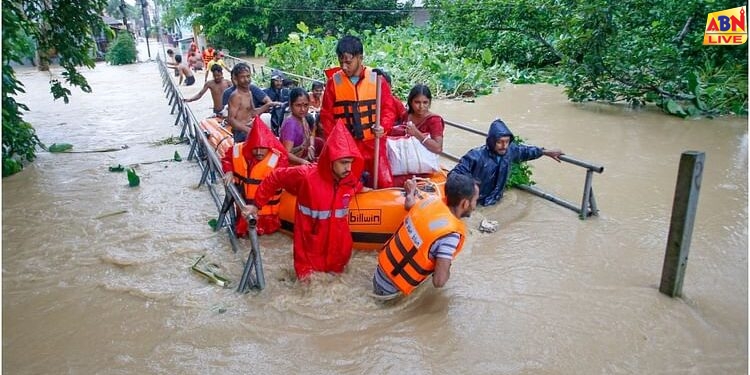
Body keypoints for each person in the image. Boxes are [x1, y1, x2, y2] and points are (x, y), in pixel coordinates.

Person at [244, 122, 365, 280]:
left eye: (350, 162)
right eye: (343, 162)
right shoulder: (306, 176)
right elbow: (275, 177)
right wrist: (256, 205)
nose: (348, 168)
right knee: (308, 292)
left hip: (338, 254)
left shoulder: (349, 180)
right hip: (309, 253)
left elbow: (352, 188)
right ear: (330, 160)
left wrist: (362, 188)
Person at [372, 173, 478, 297]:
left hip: (379, 273)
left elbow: (409, 205)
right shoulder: (451, 236)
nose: (475, 206)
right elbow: (439, 281)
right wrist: (447, 266)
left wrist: (411, 192)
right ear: (465, 204)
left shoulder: (429, 201)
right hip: (391, 291)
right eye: (475, 200)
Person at [320, 35, 398, 189]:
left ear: (360, 58)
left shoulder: (377, 80)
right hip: (348, 146)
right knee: (348, 184)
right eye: (341, 61)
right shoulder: (333, 83)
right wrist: (335, 144)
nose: (344, 66)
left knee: (384, 181)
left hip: (374, 142)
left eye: (348, 62)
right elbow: (327, 117)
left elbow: (388, 109)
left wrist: (383, 127)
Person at [449, 118, 564, 206]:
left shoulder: (510, 151)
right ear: (491, 141)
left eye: (507, 141)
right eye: (500, 142)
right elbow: (454, 175)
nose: (504, 146)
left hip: (495, 199)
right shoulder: (475, 156)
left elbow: (526, 151)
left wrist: (545, 152)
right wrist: (472, 187)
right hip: (476, 202)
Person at [221, 117, 289, 236]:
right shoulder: (237, 150)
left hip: (267, 216)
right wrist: (229, 171)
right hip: (244, 211)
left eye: (262, 148)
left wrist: (257, 205)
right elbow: (226, 159)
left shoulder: (279, 159)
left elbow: (275, 184)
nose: (258, 152)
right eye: (255, 148)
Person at [389, 84, 444, 186]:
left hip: (424, 169)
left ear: (430, 102)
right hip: (403, 165)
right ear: (410, 102)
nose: (421, 107)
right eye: (417, 102)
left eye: (425, 102)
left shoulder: (434, 120)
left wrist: (417, 134)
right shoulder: (406, 115)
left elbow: (438, 148)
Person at [227, 63, 281, 142]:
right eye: (242, 77)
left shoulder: (249, 93)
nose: (246, 80)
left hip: (251, 128)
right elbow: (231, 120)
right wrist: (248, 130)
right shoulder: (236, 96)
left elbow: (253, 113)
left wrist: (268, 105)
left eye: (248, 76)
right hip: (241, 134)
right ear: (236, 78)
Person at [279, 88, 324, 165]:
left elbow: (311, 134)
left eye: (306, 105)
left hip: (303, 156)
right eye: (298, 105)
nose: (303, 109)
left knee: (320, 142)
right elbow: (286, 154)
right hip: (291, 166)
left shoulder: (302, 118)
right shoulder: (291, 124)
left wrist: (311, 146)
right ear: (291, 105)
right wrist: (304, 162)